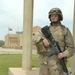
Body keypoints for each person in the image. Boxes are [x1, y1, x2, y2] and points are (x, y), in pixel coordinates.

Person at [32, 8, 74, 75]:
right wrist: (43, 39)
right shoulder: (45, 30)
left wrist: (64, 54)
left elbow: (71, 48)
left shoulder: (65, 30)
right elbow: (33, 38)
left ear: (59, 17)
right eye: (52, 16)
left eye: (55, 16)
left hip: (57, 66)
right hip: (44, 65)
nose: (53, 17)